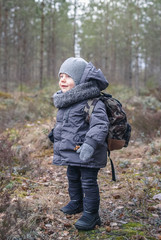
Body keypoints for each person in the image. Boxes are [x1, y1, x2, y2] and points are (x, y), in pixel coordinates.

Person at [49, 57, 109, 230]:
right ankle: (77, 203)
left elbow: (100, 125)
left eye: (68, 76)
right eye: (61, 76)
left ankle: (92, 214)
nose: (62, 80)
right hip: (73, 151)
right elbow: (66, 124)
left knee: (88, 181)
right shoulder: (66, 101)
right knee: (72, 177)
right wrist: (55, 134)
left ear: (81, 80)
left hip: (88, 151)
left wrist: (90, 144)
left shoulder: (92, 101)